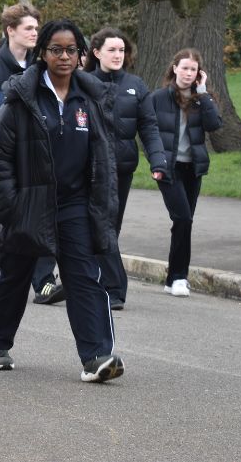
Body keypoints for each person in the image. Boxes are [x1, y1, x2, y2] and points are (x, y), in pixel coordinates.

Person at [0, 19, 124, 383]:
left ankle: (96, 356)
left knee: (84, 277)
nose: (64, 56)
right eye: (56, 49)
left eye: (71, 50)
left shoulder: (90, 99)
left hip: (73, 204)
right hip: (26, 202)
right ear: (42, 53)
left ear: (81, 54)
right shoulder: (21, 99)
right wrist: (10, 206)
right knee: (14, 276)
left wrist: (100, 204)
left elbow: (104, 156)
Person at [0, 3, 61, 303]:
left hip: (36, 162)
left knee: (43, 219)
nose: (35, 33)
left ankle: (44, 282)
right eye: (29, 28)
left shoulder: (43, 70)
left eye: (36, 28)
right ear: (10, 30)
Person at [88, 28, 167, 308]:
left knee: (110, 227)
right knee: (97, 226)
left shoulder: (136, 85)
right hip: (88, 169)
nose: (118, 55)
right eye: (112, 50)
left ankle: (102, 284)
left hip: (121, 168)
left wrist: (158, 160)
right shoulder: (82, 83)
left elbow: (149, 126)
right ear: (96, 53)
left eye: (121, 50)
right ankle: (113, 289)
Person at [148, 48, 222, 298]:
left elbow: (214, 125)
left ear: (199, 73)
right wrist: (156, 162)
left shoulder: (202, 99)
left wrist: (203, 94)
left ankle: (174, 278)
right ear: (174, 68)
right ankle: (179, 277)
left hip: (193, 169)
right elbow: (149, 132)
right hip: (168, 168)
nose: (188, 73)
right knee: (183, 219)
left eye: (193, 69)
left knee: (184, 223)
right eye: (185, 68)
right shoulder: (158, 98)